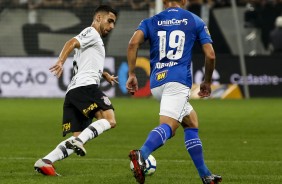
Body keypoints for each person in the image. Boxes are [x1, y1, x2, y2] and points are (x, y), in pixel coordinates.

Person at [126, 0, 222, 184]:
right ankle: (141, 154)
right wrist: (207, 81)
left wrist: (132, 73)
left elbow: (132, 44)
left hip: (157, 83)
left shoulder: (151, 21)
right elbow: (210, 55)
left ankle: (205, 175)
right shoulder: (194, 20)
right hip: (177, 81)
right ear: (184, 1)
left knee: (191, 121)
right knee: (170, 126)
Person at [34, 5, 118, 176]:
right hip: (85, 88)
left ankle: (46, 161)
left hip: (73, 92)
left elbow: (87, 63)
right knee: (109, 119)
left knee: (77, 137)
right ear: (98, 18)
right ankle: (78, 141)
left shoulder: (92, 40)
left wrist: (104, 74)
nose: (112, 26)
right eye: (110, 21)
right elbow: (71, 42)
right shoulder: (91, 32)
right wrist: (60, 61)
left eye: (114, 23)